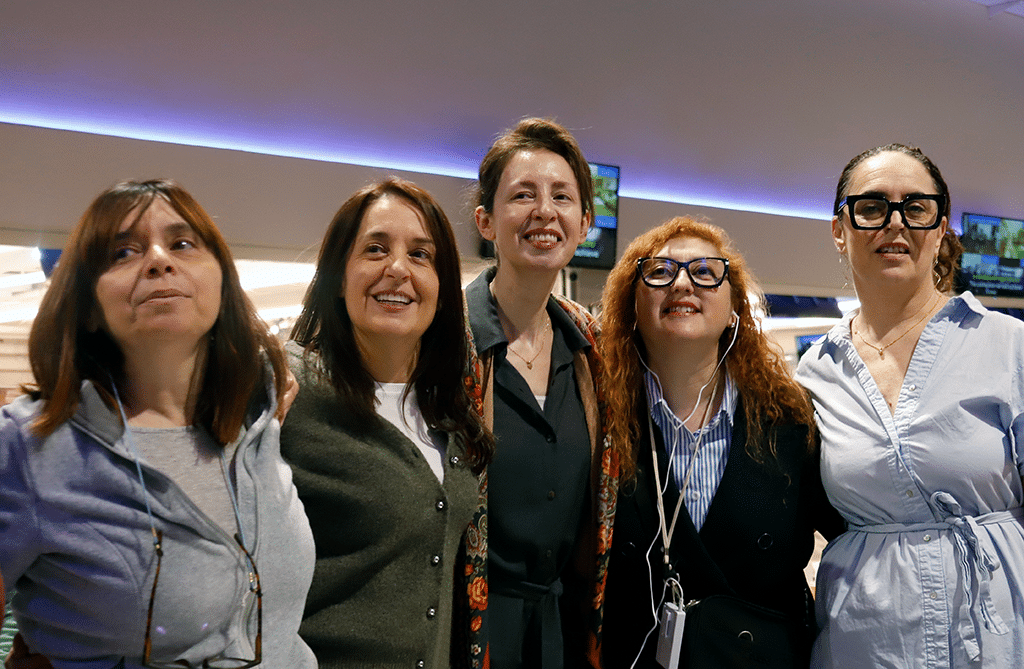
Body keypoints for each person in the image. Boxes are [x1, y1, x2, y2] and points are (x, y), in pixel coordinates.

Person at [0, 179, 316, 668]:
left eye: (183, 243)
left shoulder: (258, 415)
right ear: (87, 306)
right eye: (123, 252)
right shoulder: (30, 446)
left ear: (222, 282)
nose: (158, 260)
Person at [796, 143, 1024, 667]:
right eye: (872, 207)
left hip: (998, 634)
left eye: (916, 207)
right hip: (868, 640)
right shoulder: (817, 371)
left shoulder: (1007, 345)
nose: (895, 223)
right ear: (840, 231)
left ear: (940, 229)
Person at [597, 216, 842, 667]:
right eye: (660, 272)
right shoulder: (599, 421)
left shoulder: (792, 422)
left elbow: (852, 539)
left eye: (705, 272)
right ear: (631, 306)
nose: (682, 284)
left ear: (734, 311)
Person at [279, 177, 493, 668]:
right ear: (338, 276)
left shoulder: (449, 408)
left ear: (442, 288)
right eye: (375, 249)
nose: (397, 269)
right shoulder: (287, 390)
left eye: (420, 255)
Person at [457, 118, 619, 669]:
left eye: (562, 197)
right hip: (465, 627)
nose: (545, 212)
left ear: (585, 222)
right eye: (523, 195)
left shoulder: (594, 351)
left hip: (564, 631)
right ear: (486, 220)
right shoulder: (442, 340)